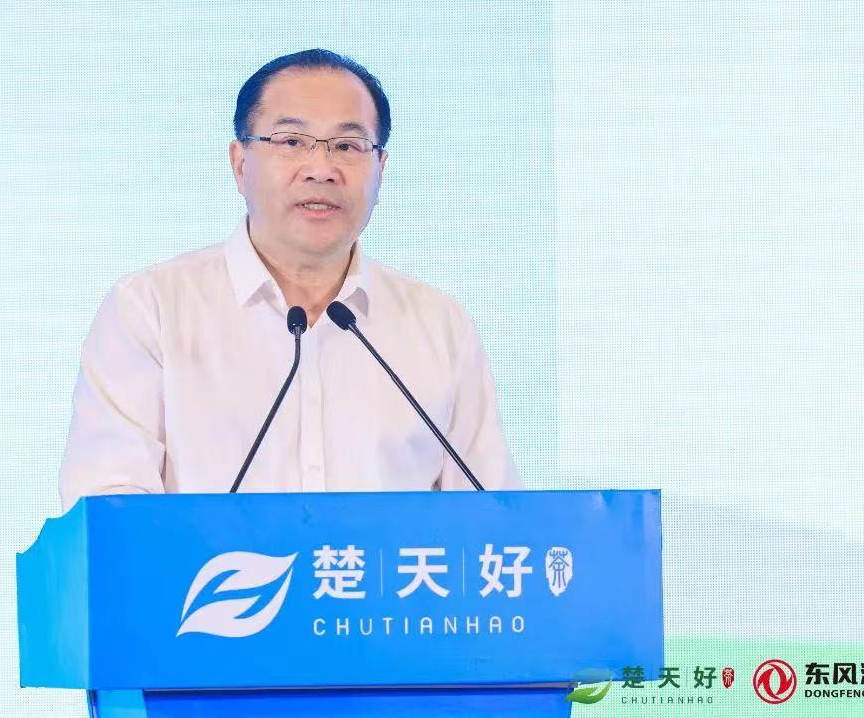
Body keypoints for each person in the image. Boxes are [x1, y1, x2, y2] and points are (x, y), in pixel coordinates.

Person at [58, 49, 522, 513]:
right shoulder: (151, 310)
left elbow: (496, 520)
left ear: (381, 169)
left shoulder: (439, 326)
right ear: (240, 164)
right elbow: (108, 511)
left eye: (347, 146)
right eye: (291, 141)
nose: (320, 169)